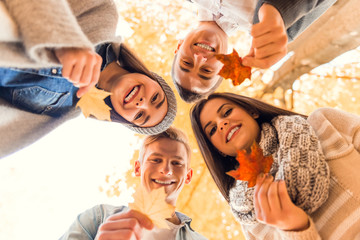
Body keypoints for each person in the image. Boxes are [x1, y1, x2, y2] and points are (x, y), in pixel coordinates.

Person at [190, 92, 360, 239]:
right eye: (212, 130)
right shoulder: (252, 224)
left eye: (227, 112)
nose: (222, 123)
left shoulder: (323, 123)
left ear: (252, 111)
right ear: (219, 151)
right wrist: (295, 229)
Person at [0, 0, 176, 135]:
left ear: (124, 119)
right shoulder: (103, 14)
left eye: (139, 116)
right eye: (155, 98)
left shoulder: (62, 110)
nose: (142, 103)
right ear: (152, 78)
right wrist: (65, 39)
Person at [172, 0, 336, 102]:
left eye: (186, 62)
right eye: (206, 71)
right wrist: (278, 10)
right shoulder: (275, 28)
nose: (199, 58)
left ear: (179, 46)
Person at [59, 127, 208, 240]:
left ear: (188, 176)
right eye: (156, 160)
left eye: (176, 163)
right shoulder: (98, 218)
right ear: (138, 168)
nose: (166, 170)